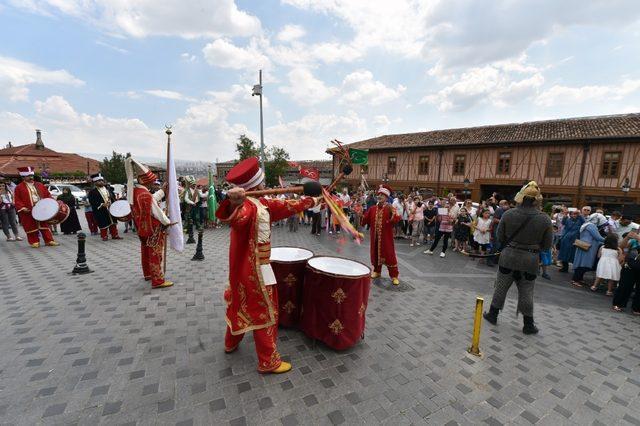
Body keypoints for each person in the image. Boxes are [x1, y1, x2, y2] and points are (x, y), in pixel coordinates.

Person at [216, 157, 318, 373]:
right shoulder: (248, 207)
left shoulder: (262, 203)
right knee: (265, 311)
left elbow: (288, 205)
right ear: (257, 184)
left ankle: (230, 342)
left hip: (248, 269)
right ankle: (268, 361)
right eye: (262, 183)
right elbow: (236, 218)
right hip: (255, 270)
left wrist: (314, 201)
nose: (265, 186)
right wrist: (234, 203)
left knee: (239, 305)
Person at [483, 181, 553, 335]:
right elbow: (547, 245)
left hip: (509, 256)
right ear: (537, 200)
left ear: (521, 198)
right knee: (527, 291)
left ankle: (493, 315)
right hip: (530, 259)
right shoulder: (544, 219)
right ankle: (528, 324)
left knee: (500, 287)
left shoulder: (509, 214)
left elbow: (499, 236)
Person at [126, 158, 174, 289]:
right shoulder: (144, 194)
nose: (153, 184)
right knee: (155, 253)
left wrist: (162, 191)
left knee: (146, 250)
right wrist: (167, 221)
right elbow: (156, 211)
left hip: (142, 228)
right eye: (151, 182)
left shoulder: (136, 192)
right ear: (144, 181)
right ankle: (158, 280)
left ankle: (148, 274)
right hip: (153, 228)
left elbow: (152, 200)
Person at [361, 185, 401, 285]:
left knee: (389, 255)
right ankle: (377, 271)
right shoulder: (372, 209)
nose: (380, 196)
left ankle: (394, 276)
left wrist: (393, 216)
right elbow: (365, 219)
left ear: (387, 197)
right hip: (375, 238)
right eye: (379, 195)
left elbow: (397, 219)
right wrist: (359, 214)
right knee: (376, 254)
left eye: (382, 195)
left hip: (386, 238)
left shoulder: (390, 208)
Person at [13, 167, 58, 247]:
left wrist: (51, 202)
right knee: (31, 226)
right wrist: (22, 208)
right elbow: (17, 200)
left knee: (44, 225)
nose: (31, 177)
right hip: (28, 209)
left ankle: (49, 240)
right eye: (28, 176)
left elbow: (47, 195)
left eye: (31, 175)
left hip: (41, 208)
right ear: (23, 177)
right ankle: (34, 241)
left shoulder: (39, 185)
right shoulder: (19, 187)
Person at [571, 213, 606, 287]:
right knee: (583, 264)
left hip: (585, 246)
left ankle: (579, 279)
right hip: (588, 247)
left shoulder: (587, 224)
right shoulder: (591, 226)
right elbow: (598, 237)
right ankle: (575, 280)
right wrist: (608, 240)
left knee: (582, 263)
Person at [612, 232, 640, 314]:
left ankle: (637, 308)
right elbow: (623, 247)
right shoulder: (634, 240)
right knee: (625, 285)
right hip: (630, 265)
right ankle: (618, 303)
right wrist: (627, 238)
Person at [88, 173, 121, 241]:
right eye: (99, 181)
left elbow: (113, 197)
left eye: (102, 181)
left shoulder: (108, 189)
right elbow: (92, 201)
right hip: (101, 210)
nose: (101, 182)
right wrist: (102, 204)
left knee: (113, 223)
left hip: (110, 208)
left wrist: (114, 203)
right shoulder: (92, 192)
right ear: (95, 182)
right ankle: (104, 236)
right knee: (103, 223)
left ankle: (115, 235)